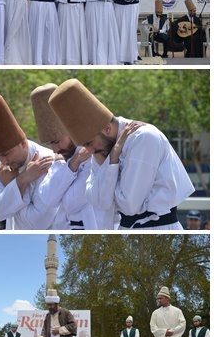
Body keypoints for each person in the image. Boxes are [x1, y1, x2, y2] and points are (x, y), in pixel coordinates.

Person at [48, 78, 194, 229]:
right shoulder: (102, 150)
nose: (89, 151)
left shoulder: (143, 138)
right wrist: (113, 157)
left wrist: (110, 178)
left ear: (107, 129)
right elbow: (100, 201)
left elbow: (129, 205)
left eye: (89, 143)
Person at [0, 94, 70, 229]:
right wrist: (22, 180)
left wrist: (11, 189)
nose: (4, 160)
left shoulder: (49, 162)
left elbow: (37, 223)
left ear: (23, 144)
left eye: (7, 153)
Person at [30, 83, 111, 229]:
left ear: (70, 132)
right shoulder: (62, 161)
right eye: (51, 144)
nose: (55, 149)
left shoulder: (94, 153)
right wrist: (73, 163)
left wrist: (62, 183)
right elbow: (47, 198)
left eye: (58, 141)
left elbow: (72, 201)